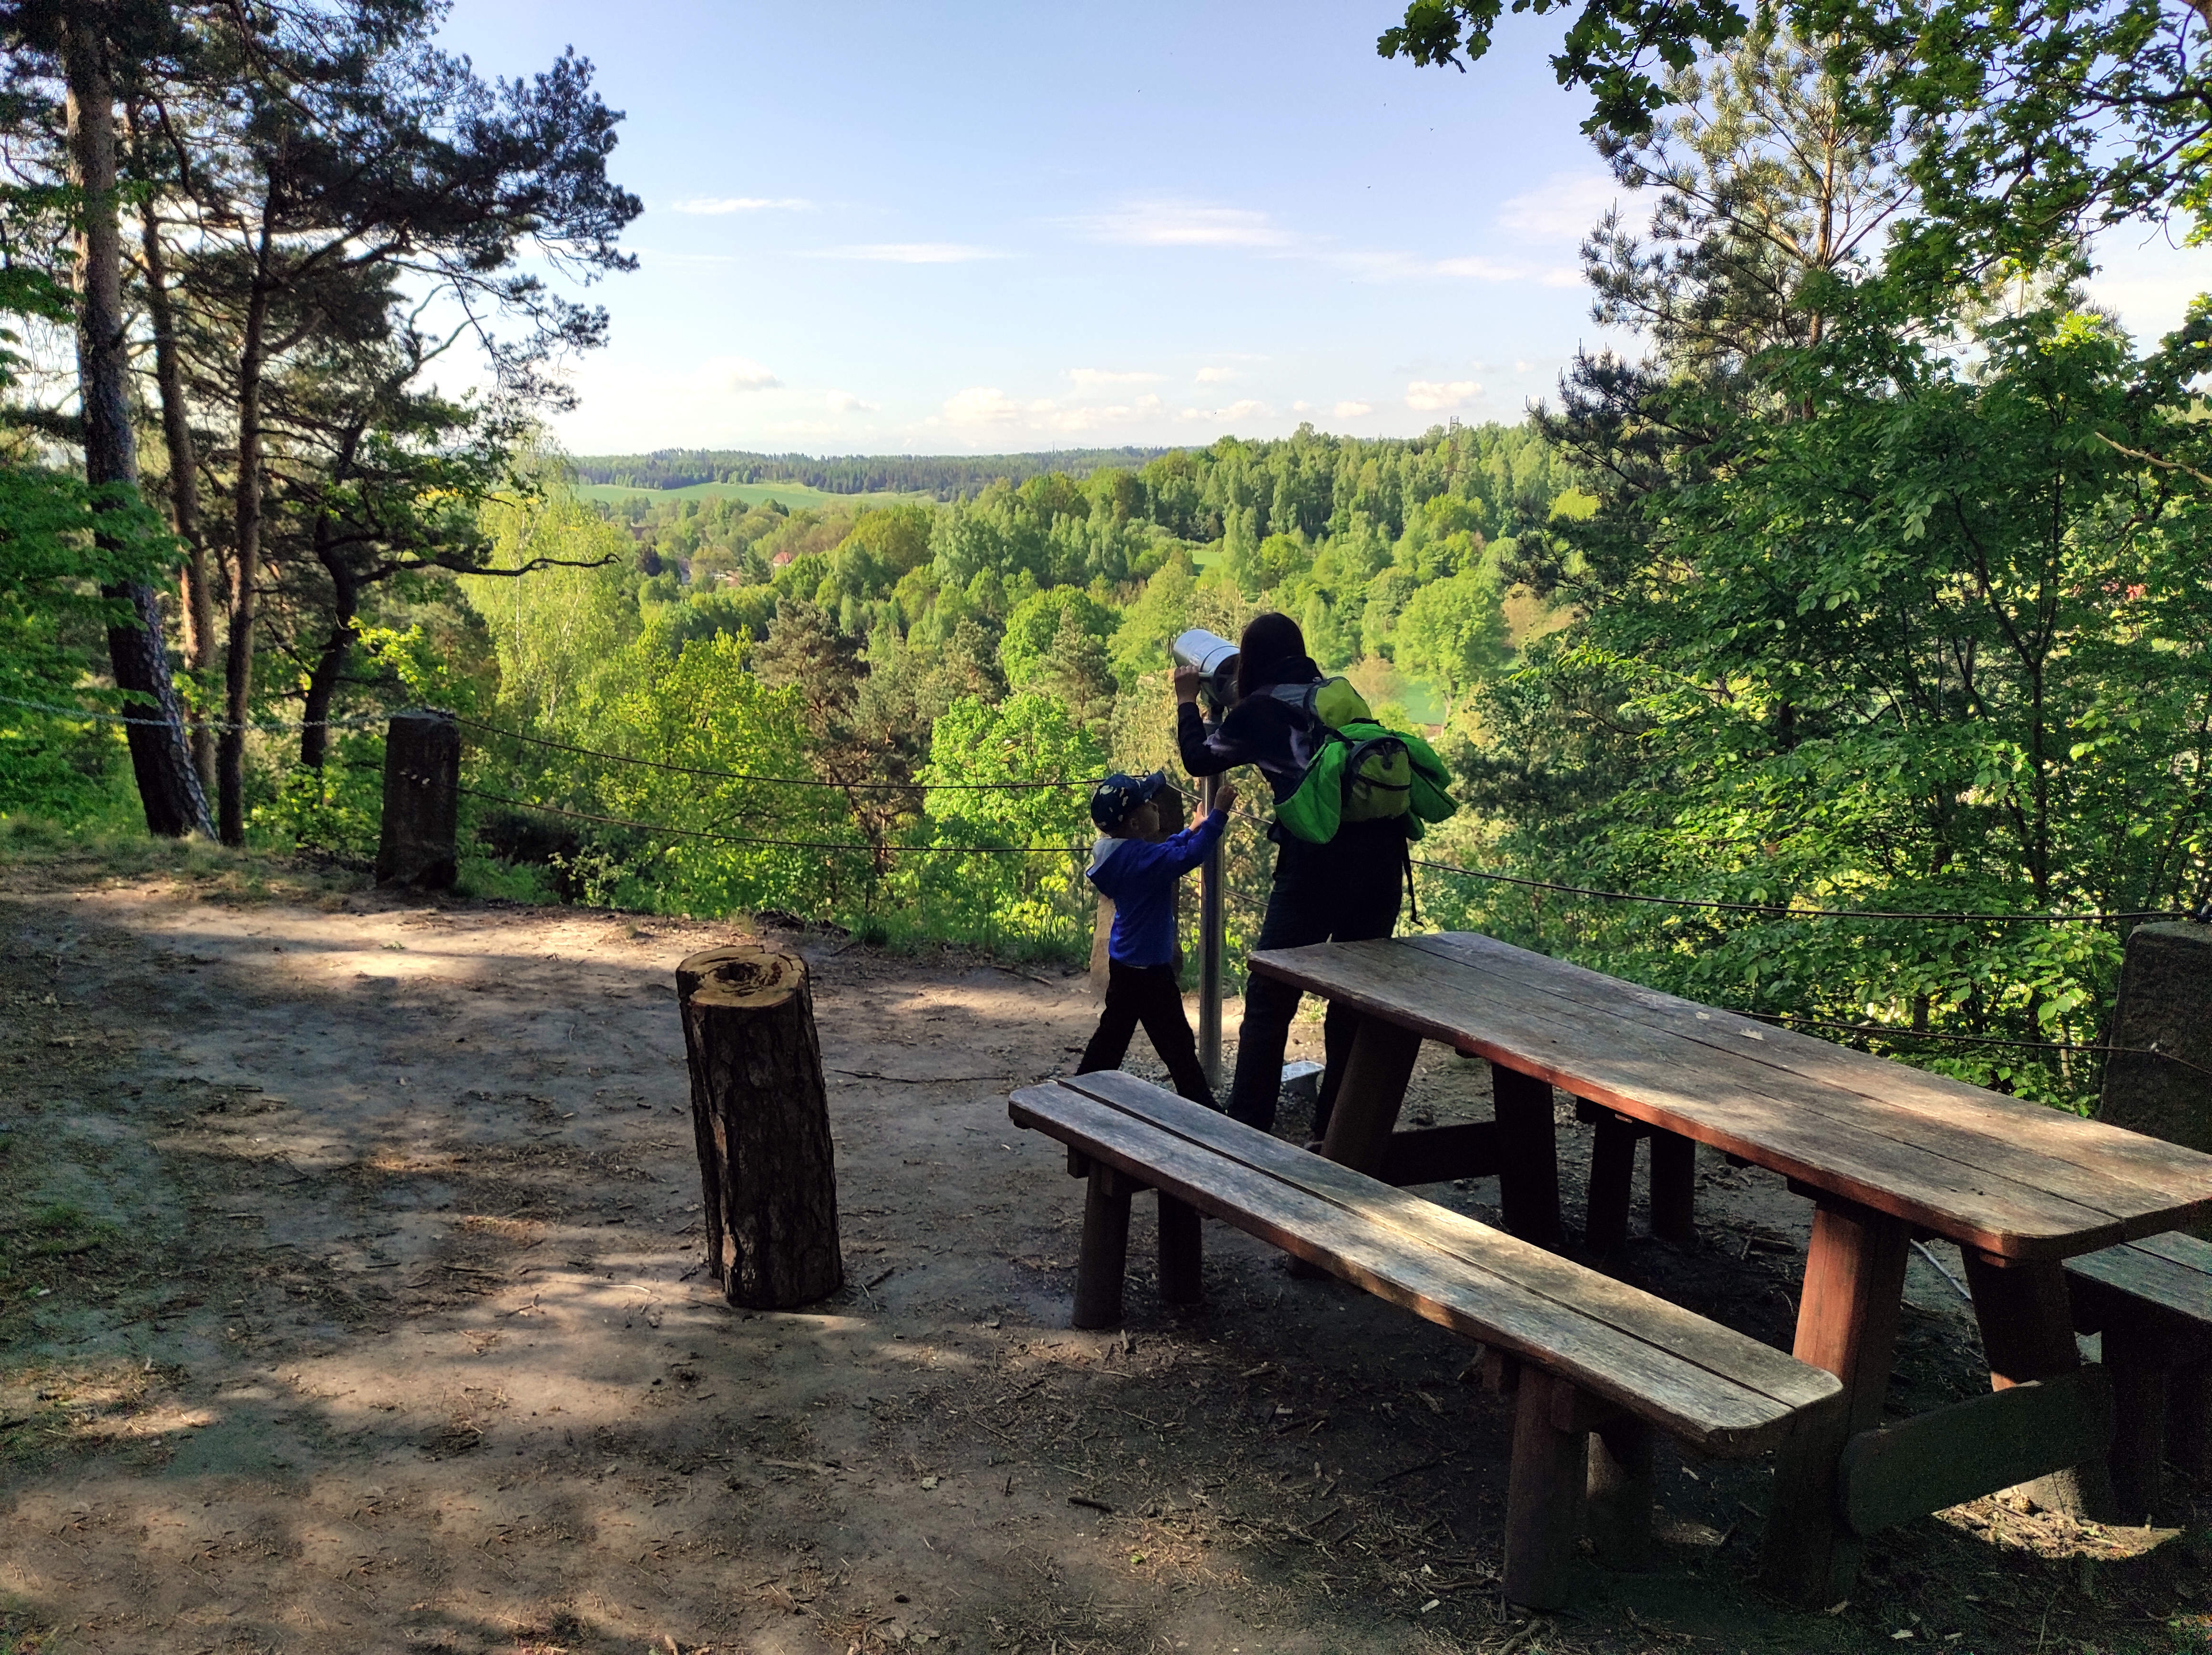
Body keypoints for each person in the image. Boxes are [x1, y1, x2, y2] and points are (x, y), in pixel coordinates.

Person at [1175, 613, 1406, 1136]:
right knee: (1352, 1000)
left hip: (1316, 866)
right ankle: (1336, 1131)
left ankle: (1249, 1124)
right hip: (1382, 863)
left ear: (1252, 659)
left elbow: (1198, 759)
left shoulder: (1259, 710)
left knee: (1269, 997)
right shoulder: (1334, 694)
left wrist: (1187, 701)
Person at [1076, 770, 1238, 1107]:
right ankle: (1206, 1112)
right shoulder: (1144, 860)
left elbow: (1163, 853)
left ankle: (1078, 1094)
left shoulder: (1119, 855)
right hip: (1150, 972)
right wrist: (1218, 815)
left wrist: (1190, 830)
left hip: (1125, 963)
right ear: (1135, 825)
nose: (1156, 807)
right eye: (1148, 805)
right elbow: (1187, 857)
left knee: (1113, 1037)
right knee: (1176, 1045)